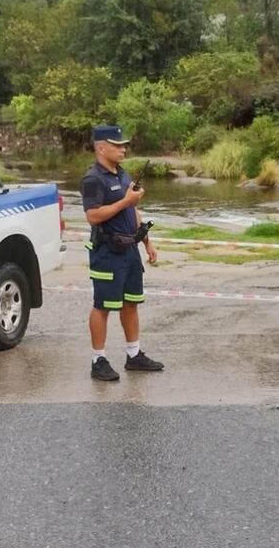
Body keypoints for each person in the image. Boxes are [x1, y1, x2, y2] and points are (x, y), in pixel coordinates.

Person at [80, 125, 164, 381]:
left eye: (123, 144)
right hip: (107, 252)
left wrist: (146, 241)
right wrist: (125, 201)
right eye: (117, 145)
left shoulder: (122, 174)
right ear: (101, 147)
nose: (123, 149)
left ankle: (134, 354)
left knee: (131, 303)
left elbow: (133, 211)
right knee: (102, 306)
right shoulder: (93, 179)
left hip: (130, 250)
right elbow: (92, 216)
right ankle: (98, 360)